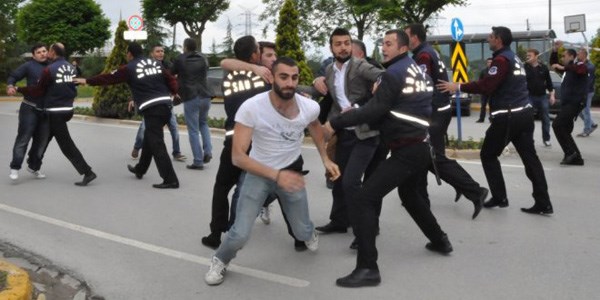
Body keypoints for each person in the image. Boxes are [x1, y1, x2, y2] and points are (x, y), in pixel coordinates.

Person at [325, 29, 452, 288]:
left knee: (364, 198)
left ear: (403, 47)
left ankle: (368, 268)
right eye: (382, 43)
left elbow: (375, 110)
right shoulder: (414, 68)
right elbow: (385, 102)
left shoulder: (394, 74)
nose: (383, 47)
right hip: (418, 144)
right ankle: (440, 240)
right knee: (410, 197)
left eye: (389, 44)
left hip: (407, 149)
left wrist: (335, 122)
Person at [204, 57, 340, 286]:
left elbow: (315, 127)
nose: (289, 83)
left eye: (294, 78)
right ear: (272, 78)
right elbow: (238, 157)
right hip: (259, 174)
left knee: (303, 231)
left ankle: (308, 234)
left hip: (290, 172)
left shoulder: (308, 107)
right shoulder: (252, 107)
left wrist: (325, 158)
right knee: (239, 233)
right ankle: (220, 259)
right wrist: (277, 176)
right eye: (284, 77)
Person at [437, 26, 553, 215]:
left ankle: (500, 197)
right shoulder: (513, 58)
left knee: (488, 155)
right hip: (524, 114)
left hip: (508, 116)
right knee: (531, 159)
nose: (489, 40)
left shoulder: (501, 60)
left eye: (491, 37)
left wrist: (457, 86)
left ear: (498, 39)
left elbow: (486, 85)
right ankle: (543, 202)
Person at [405, 23, 488, 220]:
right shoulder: (428, 51)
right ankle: (430, 194)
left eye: (405, 35)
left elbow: (421, 86)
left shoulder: (423, 56)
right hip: (440, 110)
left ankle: (474, 191)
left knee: (430, 156)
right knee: (432, 155)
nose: (403, 38)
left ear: (414, 37)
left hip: (433, 112)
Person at [312, 28, 384, 242]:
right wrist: (316, 80)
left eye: (346, 43)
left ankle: (365, 228)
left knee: (352, 182)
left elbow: (384, 77)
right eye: (338, 43)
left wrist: (361, 104)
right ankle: (340, 221)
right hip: (345, 134)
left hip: (366, 134)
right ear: (331, 47)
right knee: (339, 178)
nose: (343, 47)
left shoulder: (360, 65)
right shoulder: (330, 71)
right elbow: (326, 97)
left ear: (351, 45)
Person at [75, 42, 179, 188]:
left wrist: (87, 80)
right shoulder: (155, 64)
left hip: (153, 108)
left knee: (157, 144)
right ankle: (140, 169)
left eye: (126, 53)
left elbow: (108, 78)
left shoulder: (129, 68)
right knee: (150, 138)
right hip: (165, 106)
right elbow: (170, 79)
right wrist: (174, 91)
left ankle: (171, 180)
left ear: (129, 54)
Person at [201, 35, 270, 249]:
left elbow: (226, 63)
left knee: (222, 186)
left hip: (233, 138)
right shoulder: (264, 78)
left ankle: (215, 233)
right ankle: (235, 228)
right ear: (253, 55)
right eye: (258, 49)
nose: (260, 53)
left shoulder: (229, 77)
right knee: (262, 186)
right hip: (256, 142)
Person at [17, 43, 96, 186]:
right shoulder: (71, 68)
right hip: (67, 110)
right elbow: (72, 85)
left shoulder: (49, 69)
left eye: (49, 51)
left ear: (53, 52)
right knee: (45, 136)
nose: (47, 53)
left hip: (55, 111)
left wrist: (19, 88)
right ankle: (34, 164)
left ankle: (87, 172)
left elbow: (38, 91)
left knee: (66, 145)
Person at [131, 44, 186, 162]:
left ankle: (176, 152)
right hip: (151, 104)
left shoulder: (168, 66)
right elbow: (138, 83)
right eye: (157, 51)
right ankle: (137, 147)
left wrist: (175, 91)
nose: (161, 53)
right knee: (144, 128)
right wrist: (133, 98)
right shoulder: (146, 66)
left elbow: (172, 80)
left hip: (166, 102)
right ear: (152, 54)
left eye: (162, 51)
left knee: (174, 128)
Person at [6, 43, 49, 180]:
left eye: (44, 51)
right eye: (39, 52)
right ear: (33, 55)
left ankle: (33, 167)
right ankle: (15, 167)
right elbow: (13, 76)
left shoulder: (52, 66)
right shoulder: (28, 66)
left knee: (41, 141)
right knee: (23, 139)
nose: (43, 54)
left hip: (45, 110)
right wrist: (10, 85)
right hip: (29, 108)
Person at [171, 38, 212, 170]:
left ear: (185, 47)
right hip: (205, 95)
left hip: (190, 96)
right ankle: (208, 151)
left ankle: (198, 161)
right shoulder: (203, 58)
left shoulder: (180, 59)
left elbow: (171, 73)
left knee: (193, 130)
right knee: (203, 123)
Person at [551, 48, 588, 165]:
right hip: (567, 103)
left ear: (572, 57)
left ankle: (571, 153)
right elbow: (554, 64)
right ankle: (575, 156)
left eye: (565, 56)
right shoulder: (568, 70)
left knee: (557, 124)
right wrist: (554, 52)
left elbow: (582, 70)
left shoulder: (579, 65)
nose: (563, 58)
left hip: (575, 103)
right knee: (565, 129)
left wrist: (564, 67)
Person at [524, 48, 555, 147]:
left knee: (545, 119)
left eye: (530, 55)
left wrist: (552, 95)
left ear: (536, 56)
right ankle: (529, 139)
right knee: (528, 118)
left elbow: (549, 83)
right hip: (529, 96)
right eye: (527, 55)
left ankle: (546, 139)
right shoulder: (524, 67)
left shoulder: (544, 68)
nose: (527, 57)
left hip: (542, 97)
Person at [576, 48, 597, 137]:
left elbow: (589, 81)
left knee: (585, 111)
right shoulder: (581, 64)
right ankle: (591, 124)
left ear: (584, 55)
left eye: (579, 54)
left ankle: (587, 130)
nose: (577, 55)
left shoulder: (590, 66)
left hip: (587, 92)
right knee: (579, 111)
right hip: (582, 91)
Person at [476, 58, 493, 123]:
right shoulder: (483, 71)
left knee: (492, 105)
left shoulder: (495, 71)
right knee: (483, 105)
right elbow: (480, 81)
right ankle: (481, 119)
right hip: (484, 92)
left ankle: (491, 118)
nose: (490, 63)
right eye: (488, 62)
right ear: (487, 63)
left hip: (492, 91)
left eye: (491, 62)